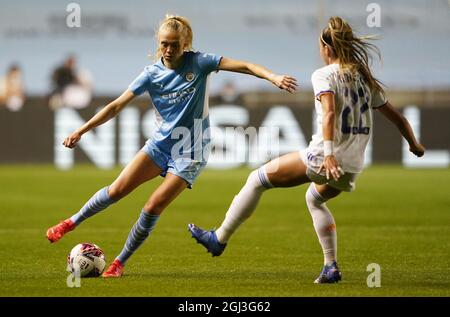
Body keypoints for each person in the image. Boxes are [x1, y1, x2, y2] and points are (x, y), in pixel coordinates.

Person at [46, 14, 297, 278]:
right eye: (164, 44)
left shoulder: (199, 62)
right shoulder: (151, 74)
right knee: (117, 189)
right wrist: (81, 130)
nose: (168, 50)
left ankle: (119, 263)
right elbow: (116, 106)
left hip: (191, 151)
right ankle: (70, 223)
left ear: (185, 43)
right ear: (159, 43)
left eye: (174, 45)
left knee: (153, 206)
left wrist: (273, 77)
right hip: (160, 144)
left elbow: (244, 66)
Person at [188, 16, 425, 284]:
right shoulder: (364, 78)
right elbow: (400, 119)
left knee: (257, 179)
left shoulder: (323, 75)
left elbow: (330, 113)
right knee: (314, 199)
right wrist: (413, 143)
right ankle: (330, 266)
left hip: (325, 158)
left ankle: (218, 239)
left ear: (327, 49)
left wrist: (329, 153)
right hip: (352, 166)